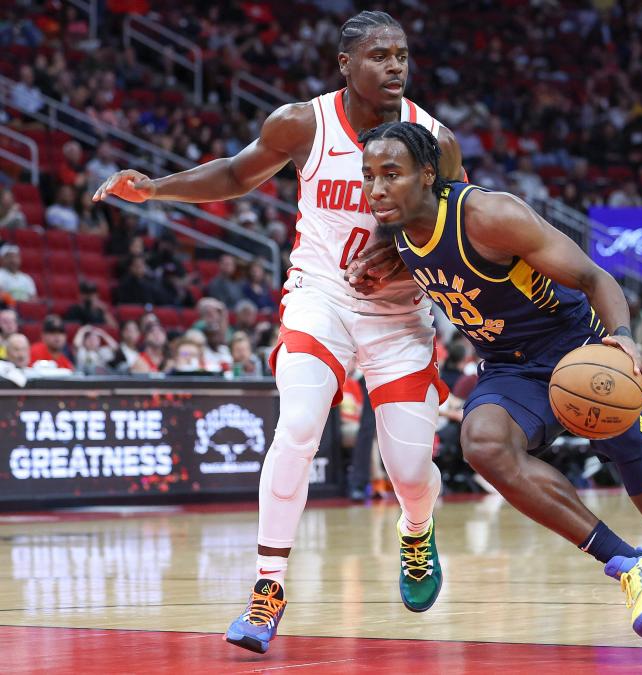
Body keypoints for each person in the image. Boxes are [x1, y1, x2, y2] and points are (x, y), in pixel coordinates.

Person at [350, 120, 642, 648]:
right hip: (511, 368)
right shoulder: (394, 232)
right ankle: (630, 566)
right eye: (368, 176)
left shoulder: (490, 216)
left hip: (584, 355)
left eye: (391, 174)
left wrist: (623, 338)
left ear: (428, 176)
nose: (376, 188)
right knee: (482, 441)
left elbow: (597, 277)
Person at [93, 10, 464, 654]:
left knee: (409, 467)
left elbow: (455, 232)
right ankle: (267, 587)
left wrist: (401, 255)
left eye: (402, 54)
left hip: (400, 315)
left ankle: (416, 527)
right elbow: (237, 175)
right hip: (320, 297)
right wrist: (157, 190)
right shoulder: (303, 123)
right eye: (379, 56)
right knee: (297, 425)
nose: (395, 66)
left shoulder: (435, 140)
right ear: (345, 64)